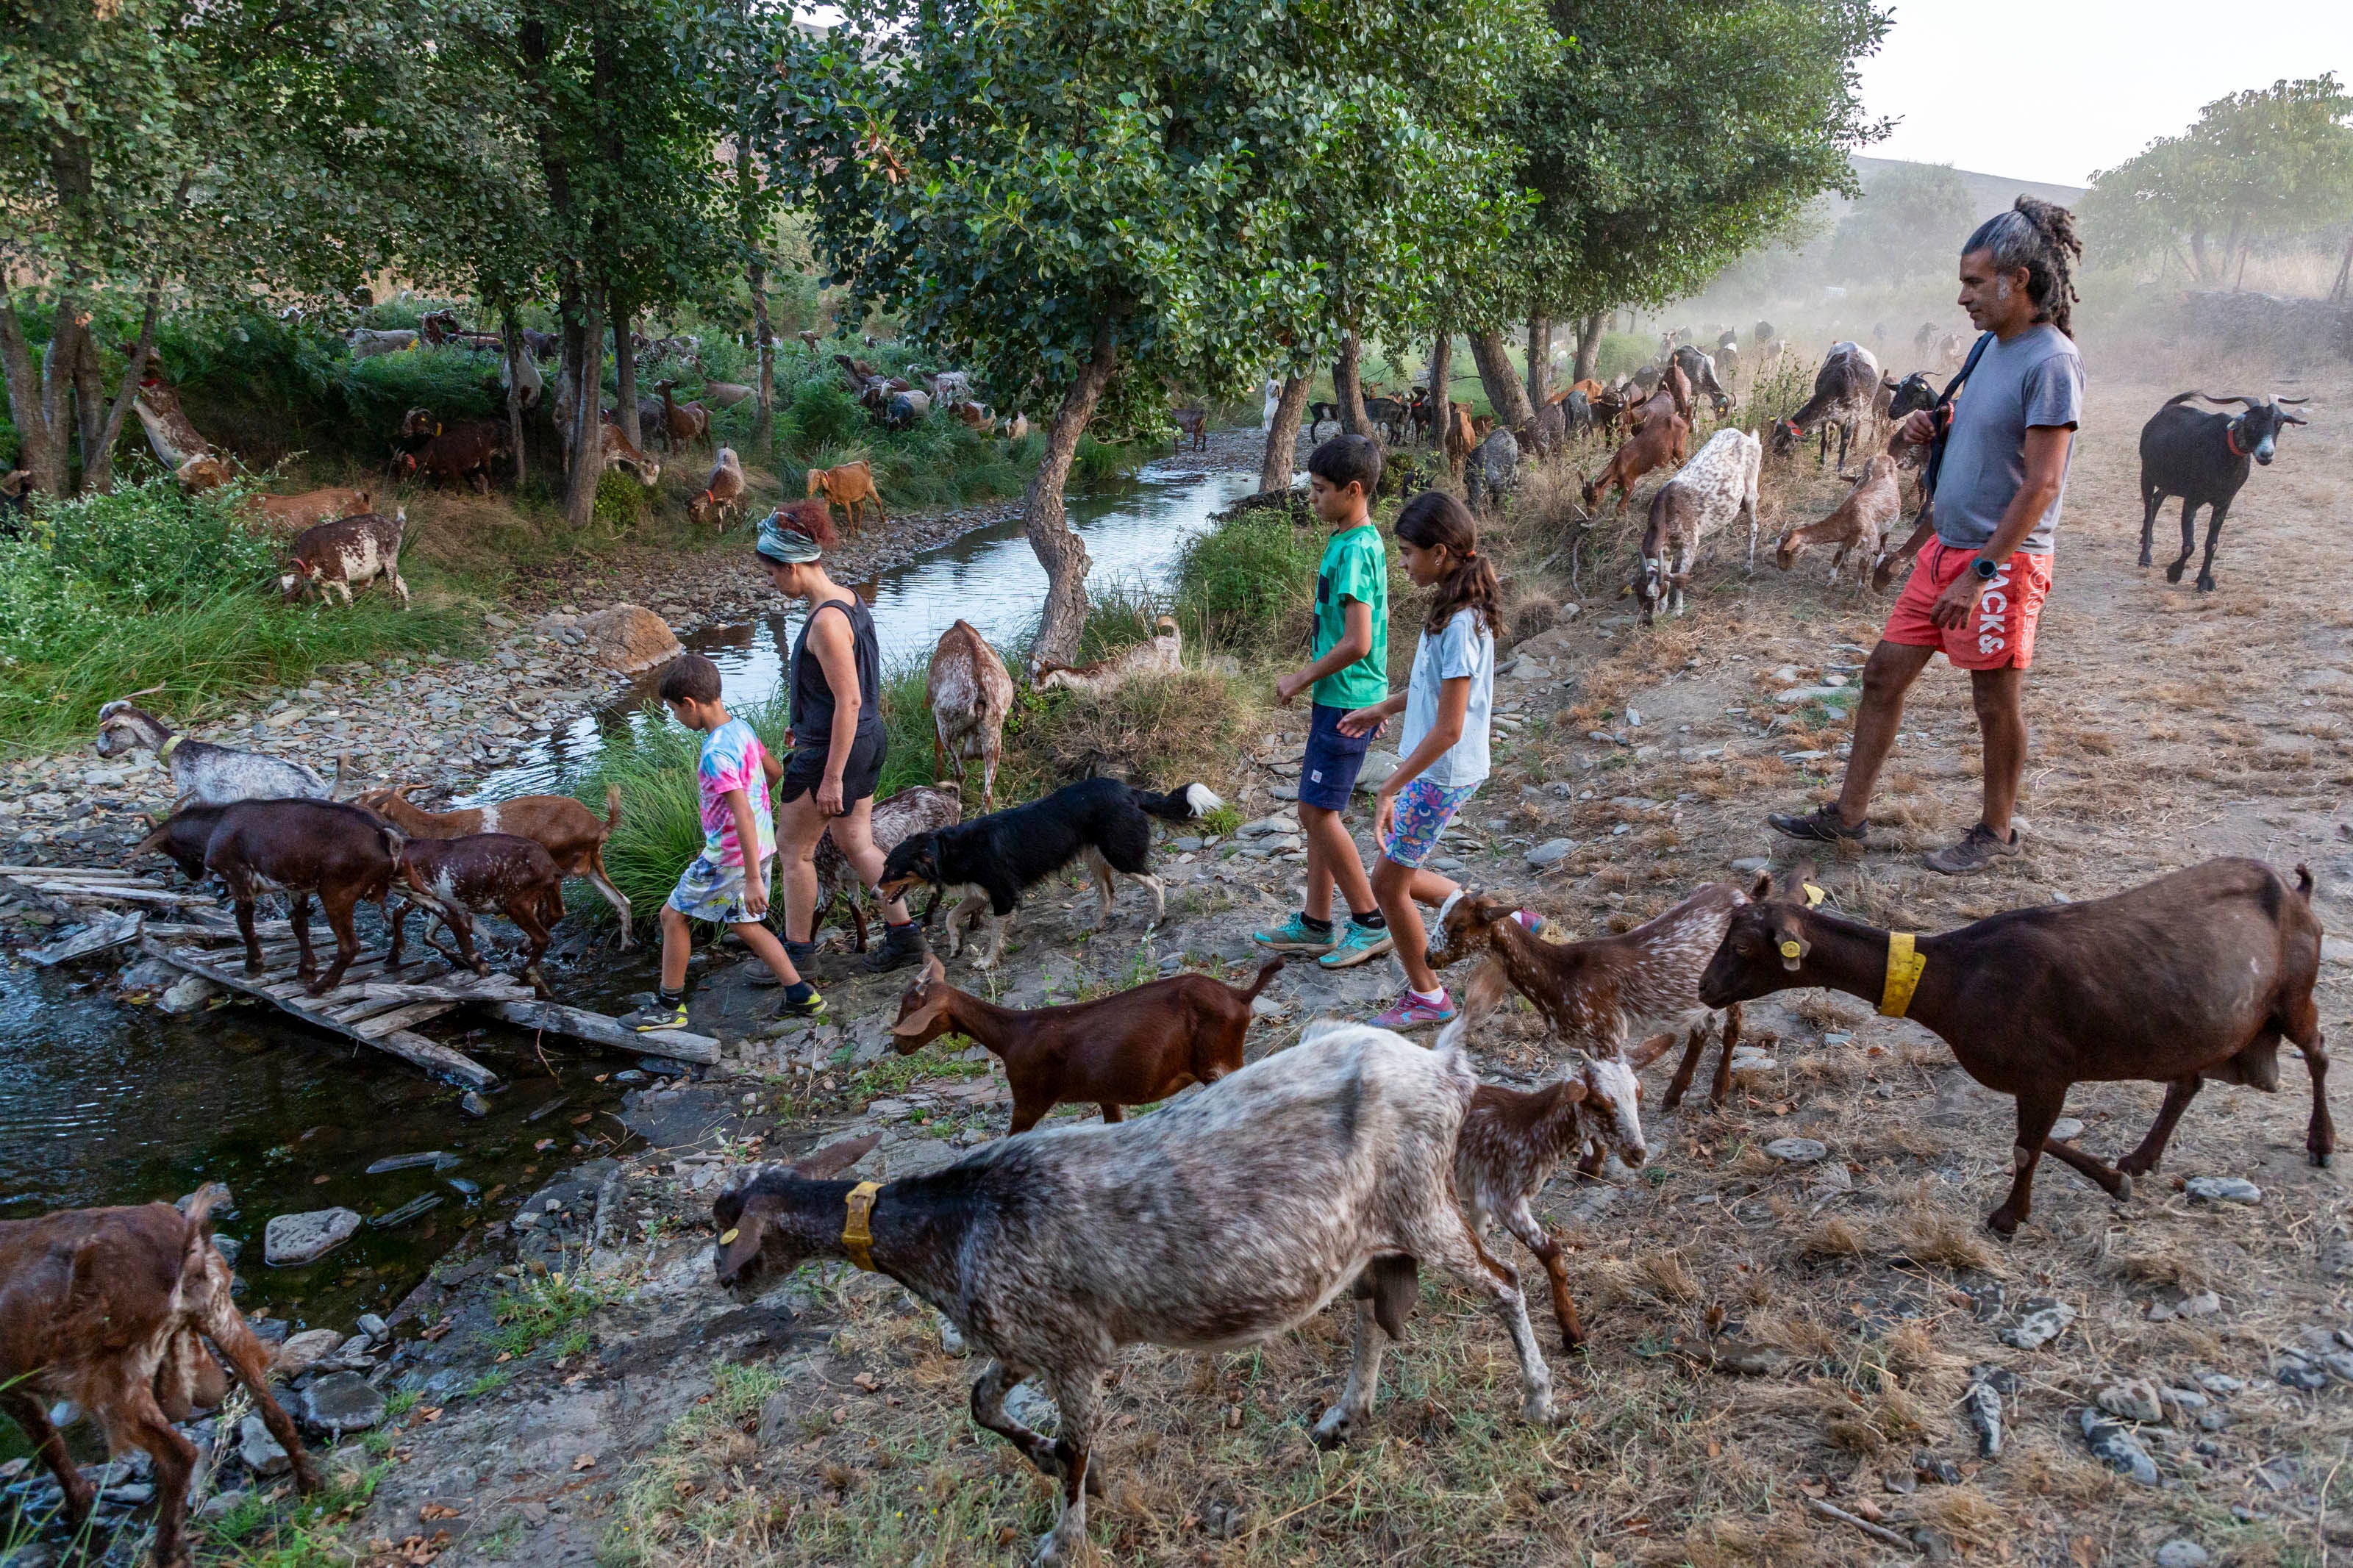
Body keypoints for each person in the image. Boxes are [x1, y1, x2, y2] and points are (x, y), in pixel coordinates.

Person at [1768, 197, 2085, 875]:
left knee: (1994, 698)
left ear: (2018, 280)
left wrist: (1982, 574)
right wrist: (1933, 427)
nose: (1963, 296)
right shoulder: (1987, 348)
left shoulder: (2052, 361)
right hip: (1944, 547)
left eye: (1975, 282)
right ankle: (1847, 820)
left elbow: (2043, 485)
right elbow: (1985, 432)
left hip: (2000, 562)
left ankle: (1996, 831)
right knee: (1883, 674)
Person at [1335, 492, 1524, 1027]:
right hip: (1439, 769)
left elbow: (1449, 727)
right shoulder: (1451, 603)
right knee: (1398, 872)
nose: (1401, 562)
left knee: (1388, 884)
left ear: (1440, 552)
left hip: (1441, 773)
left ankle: (1427, 995)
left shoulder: (1463, 622)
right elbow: (1429, 691)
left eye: (1406, 552)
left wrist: (1390, 785)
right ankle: (1504, 918)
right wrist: (1383, 707)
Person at [755, 509, 927, 975]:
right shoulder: (848, 599)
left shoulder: (826, 623)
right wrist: (805, 720)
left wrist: (831, 776)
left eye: (772, 573)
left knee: (795, 852)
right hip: (866, 739)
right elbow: (844, 694)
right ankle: (905, 935)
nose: (772, 583)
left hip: (835, 752)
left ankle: (797, 957)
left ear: (792, 566)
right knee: (856, 840)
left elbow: (848, 700)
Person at [621, 651, 823, 1032]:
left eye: (675, 712)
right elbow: (774, 771)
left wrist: (749, 878)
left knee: (672, 916)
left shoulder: (715, 752)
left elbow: (741, 813)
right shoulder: (742, 729)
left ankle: (669, 1006)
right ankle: (801, 996)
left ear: (690, 704)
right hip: (760, 848)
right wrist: (759, 807)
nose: (677, 719)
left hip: (729, 857)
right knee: (743, 924)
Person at [1252, 434, 1391, 966]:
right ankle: (1316, 921)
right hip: (1342, 696)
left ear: (1353, 491)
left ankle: (1370, 920)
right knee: (1319, 810)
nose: (1311, 497)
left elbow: (1359, 641)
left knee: (1316, 810)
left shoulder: (1355, 550)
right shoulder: (1351, 536)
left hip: (1347, 700)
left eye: (1319, 489)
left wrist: (1300, 677)